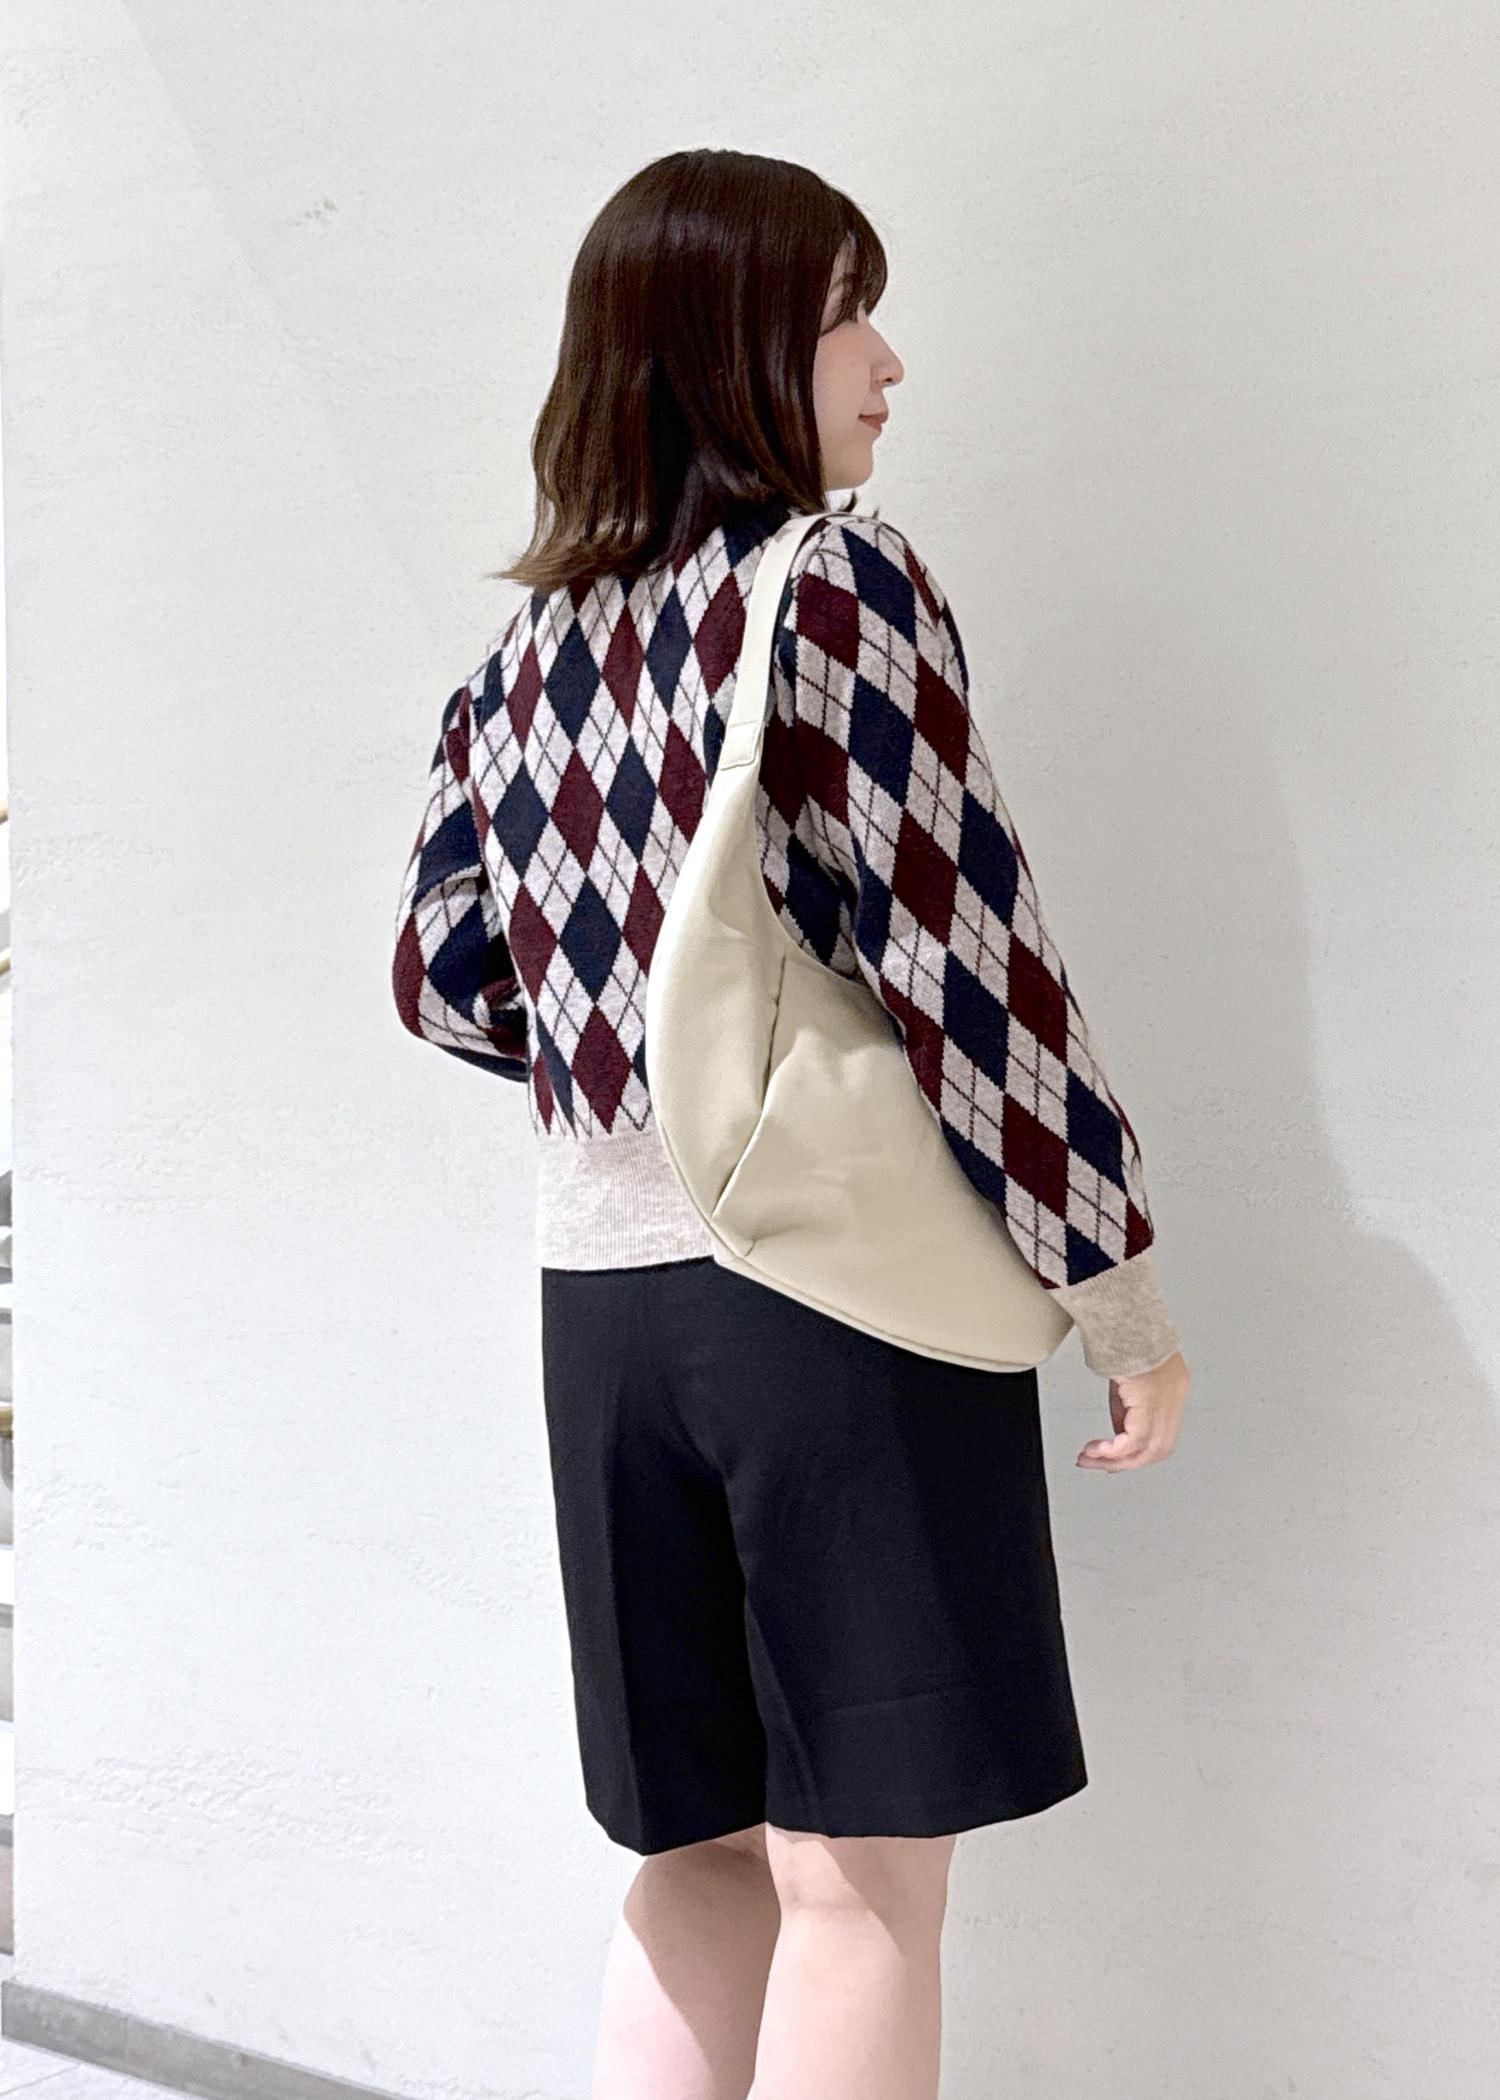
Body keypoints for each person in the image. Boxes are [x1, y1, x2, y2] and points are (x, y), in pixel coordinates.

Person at [391, 147, 1191, 2100]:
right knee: (861, 1883)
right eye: (847, 315)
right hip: (823, 1308)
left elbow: (441, 974)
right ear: (730, 341)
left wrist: (638, 1048)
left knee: (699, 1860)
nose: (888, 362)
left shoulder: (524, 658)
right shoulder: (828, 585)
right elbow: (971, 966)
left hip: (604, 1315)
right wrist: (1119, 1293)